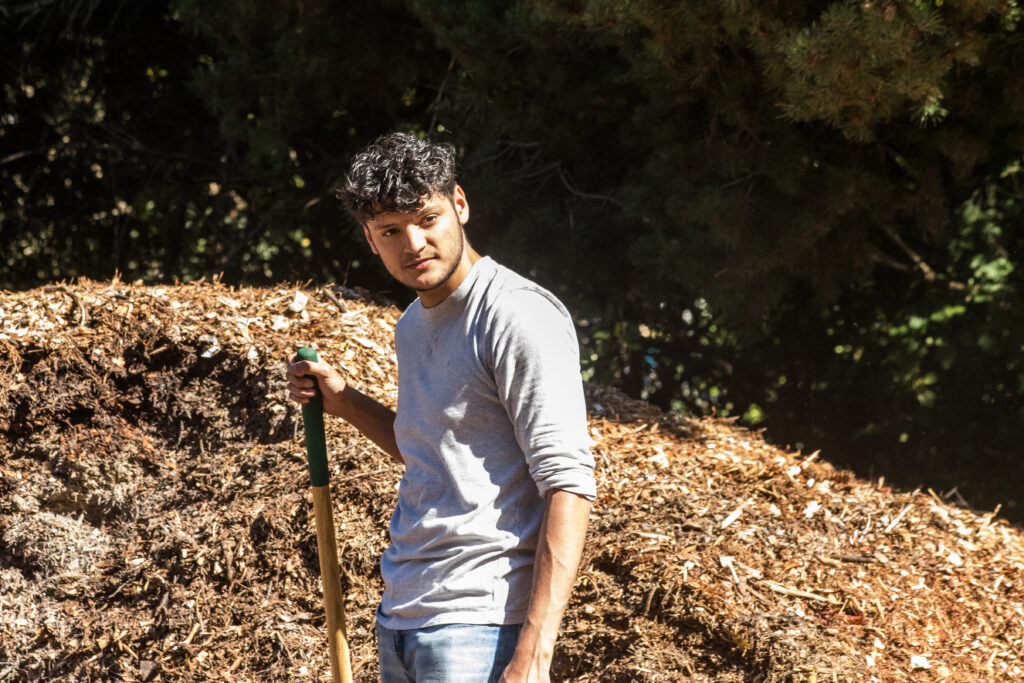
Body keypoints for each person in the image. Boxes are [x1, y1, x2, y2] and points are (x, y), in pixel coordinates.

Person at [286, 132, 596, 683]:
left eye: (426, 219)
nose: (413, 243)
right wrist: (345, 402)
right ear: (370, 239)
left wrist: (537, 650)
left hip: (481, 625)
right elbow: (434, 452)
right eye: (390, 231)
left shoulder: (517, 316)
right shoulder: (414, 324)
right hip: (404, 617)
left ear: (459, 203)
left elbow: (568, 484)